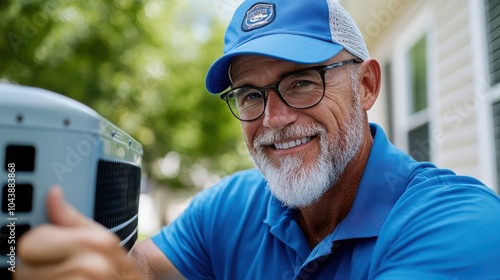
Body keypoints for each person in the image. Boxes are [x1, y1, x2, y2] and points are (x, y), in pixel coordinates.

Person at [15, 0, 500, 279]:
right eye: (250, 94)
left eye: (303, 82)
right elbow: (140, 270)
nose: (274, 118)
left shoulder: (459, 223)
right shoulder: (234, 205)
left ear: (367, 85)